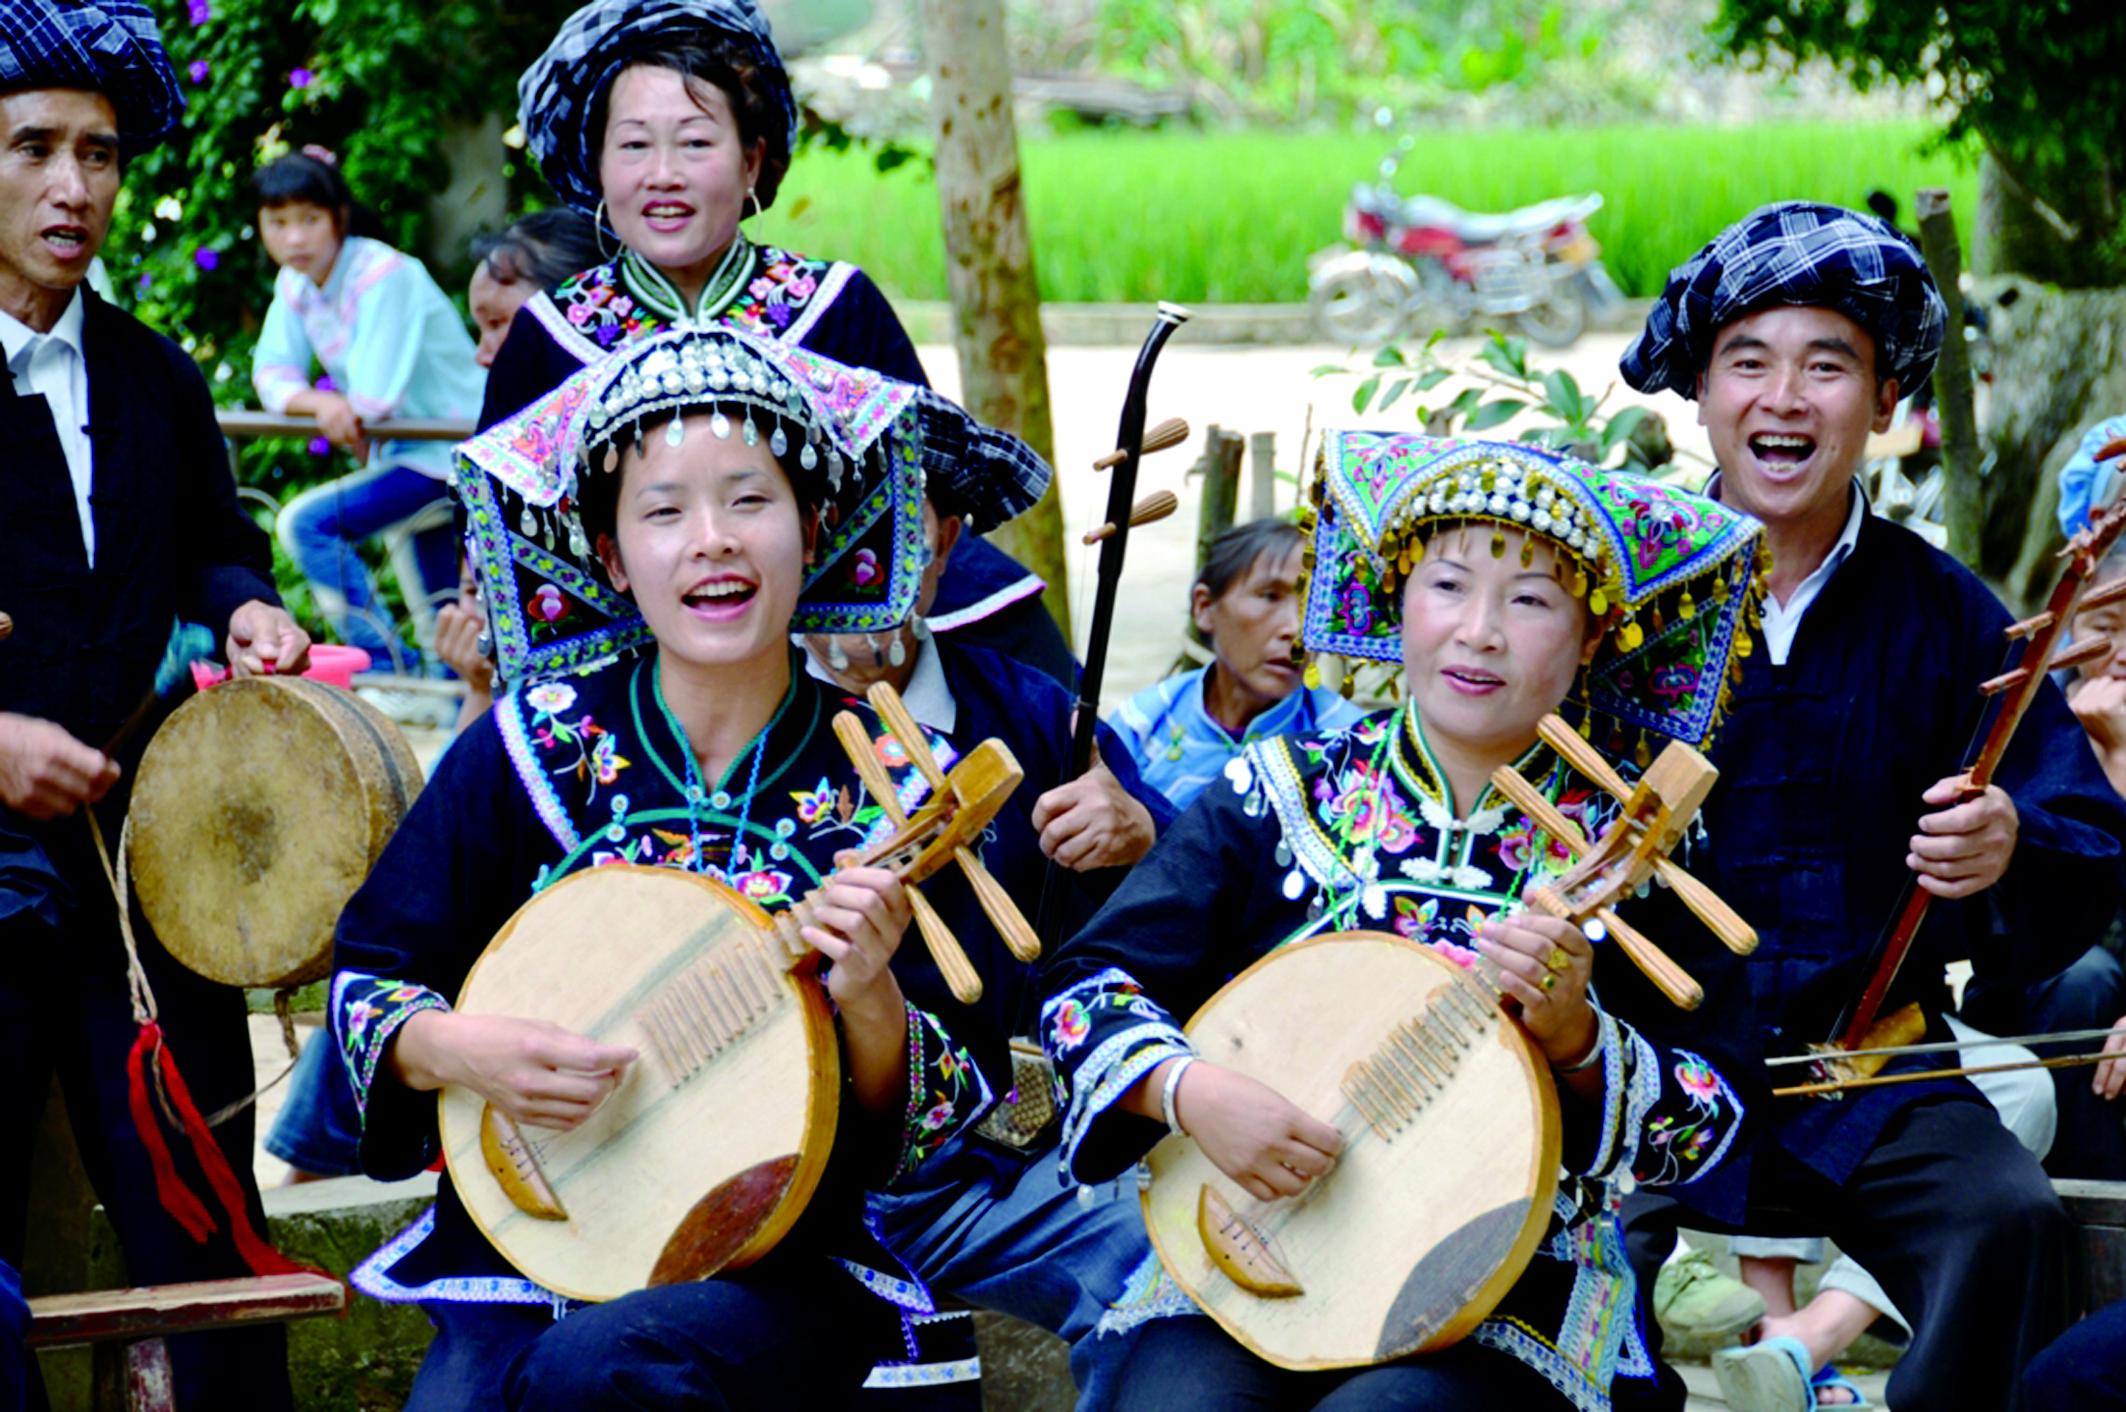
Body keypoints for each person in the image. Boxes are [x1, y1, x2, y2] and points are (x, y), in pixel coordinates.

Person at [330, 325, 1058, 1408]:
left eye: (749, 502)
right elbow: (374, 973)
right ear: (614, 556)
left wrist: (863, 993)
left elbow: (928, 1124)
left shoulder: (898, 785)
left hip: (778, 1261)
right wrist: (456, 1047)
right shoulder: (530, 748)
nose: (710, 541)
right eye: (664, 511)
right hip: (529, 1241)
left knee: (603, 1370)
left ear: (812, 532)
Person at [1042, 433, 1768, 1409]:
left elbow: (1713, 1111)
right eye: (1447, 586)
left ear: (1592, 635)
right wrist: (1187, 1089)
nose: (1477, 631)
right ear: (1394, 598)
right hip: (1260, 1234)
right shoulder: (1279, 793)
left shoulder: (1641, 847)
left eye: (1529, 599)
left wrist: (1579, 1043)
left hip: (1512, 1282)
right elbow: (1083, 987)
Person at [1612, 201, 2123, 1412]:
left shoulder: (1947, 614)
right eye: (1747, 360)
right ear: (1697, 391)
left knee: (2004, 1220)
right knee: (1567, 1255)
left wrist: (2006, 845)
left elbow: (2080, 835)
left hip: (1870, 1064)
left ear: (1884, 404)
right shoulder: (1620, 598)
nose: (1782, 397)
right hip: (1638, 1066)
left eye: (1825, 365)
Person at [0, 4, 312, 1406]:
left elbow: (210, 537)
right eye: (33, 149)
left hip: (146, 882)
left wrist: (246, 601)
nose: (74, 188)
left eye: (101, 154)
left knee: (204, 1231)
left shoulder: (153, 376)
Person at [485, 0, 1075, 684]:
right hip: (619, 693)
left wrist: (872, 631)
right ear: (598, 166)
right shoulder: (546, 336)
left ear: (751, 162)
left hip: (836, 677)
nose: (663, 173)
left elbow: (919, 489)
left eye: (696, 142)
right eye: (635, 144)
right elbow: (505, 544)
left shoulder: (836, 306)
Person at [798, 492, 1178, 1405]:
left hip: (1005, 1161)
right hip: (798, 1164)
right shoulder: (746, 717)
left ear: (947, 544)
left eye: (904, 524)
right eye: (844, 522)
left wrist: (1140, 832)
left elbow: (1184, 904)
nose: (873, 558)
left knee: (1172, 1282)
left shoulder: (1027, 704)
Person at [252, 148, 485, 670]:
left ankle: (376, 664)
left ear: (338, 218)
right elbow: (269, 374)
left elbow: (375, 399)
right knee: (440, 616)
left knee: (307, 524)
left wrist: (338, 405)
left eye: (309, 220)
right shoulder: (296, 284)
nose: (295, 237)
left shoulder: (385, 273)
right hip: (405, 454)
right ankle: (427, 698)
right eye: (278, 222)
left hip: (453, 450)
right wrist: (320, 401)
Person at [1110, 516, 1365, 810]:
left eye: (1314, 606)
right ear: (1205, 608)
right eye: (1270, 596)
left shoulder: (1348, 744)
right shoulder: (1141, 726)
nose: (1295, 630)